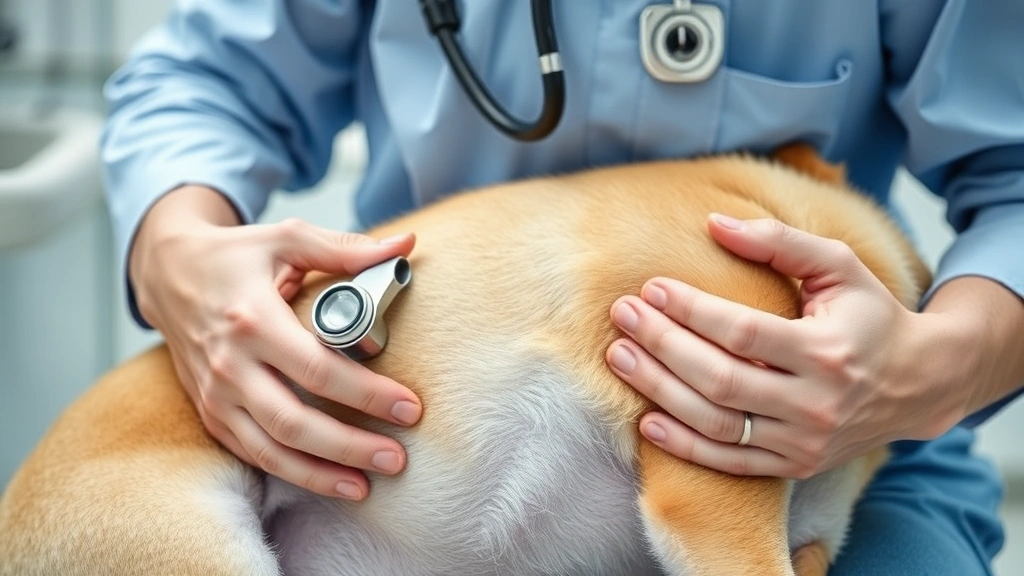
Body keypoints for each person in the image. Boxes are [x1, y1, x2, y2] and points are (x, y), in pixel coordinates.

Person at [101, 2, 1023, 574]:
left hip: (867, 414)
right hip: (349, 389)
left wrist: (936, 366)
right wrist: (179, 249)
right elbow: (204, 78)